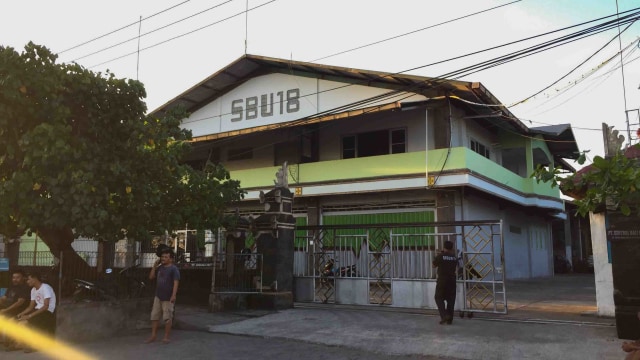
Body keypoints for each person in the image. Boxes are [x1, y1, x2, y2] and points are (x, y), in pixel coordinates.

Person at [13, 272, 57, 353]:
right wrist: (21, 314)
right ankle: (20, 343)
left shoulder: (45, 287)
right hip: (38, 310)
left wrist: (29, 316)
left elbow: (46, 306)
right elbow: (31, 306)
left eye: (29, 279)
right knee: (18, 321)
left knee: (23, 324)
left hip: (47, 312)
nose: (27, 281)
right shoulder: (33, 290)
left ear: (35, 279)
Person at [145, 247, 180, 344]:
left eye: (166, 257)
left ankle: (166, 337)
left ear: (171, 259)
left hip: (168, 297)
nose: (163, 258)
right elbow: (151, 277)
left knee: (167, 317)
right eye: (162, 256)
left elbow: (176, 283)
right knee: (154, 316)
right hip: (158, 296)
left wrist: (173, 295)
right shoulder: (160, 267)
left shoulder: (174, 269)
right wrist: (154, 266)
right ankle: (153, 336)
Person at [0, 269, 31, 348]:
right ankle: (6, 341)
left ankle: (10, 341)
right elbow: (4, 298)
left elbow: (20, 302)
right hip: (8, 311)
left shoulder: (25, 288)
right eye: (13, 277)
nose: (15, 279)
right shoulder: (11, 287)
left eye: (17, 277)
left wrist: (5, 310)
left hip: (18, 312)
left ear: (23, 278)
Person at [433, 240, 458, 325]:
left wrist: (438, 255)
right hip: (452, 280)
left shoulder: (440, 256)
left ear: (444, 247)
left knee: (438, 297)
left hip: (442, 280)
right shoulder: (454, 257)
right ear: (452, 248)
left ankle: (444, 315)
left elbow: (433, 265)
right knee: (451, 300)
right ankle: (449, 319)